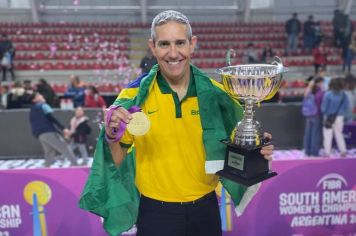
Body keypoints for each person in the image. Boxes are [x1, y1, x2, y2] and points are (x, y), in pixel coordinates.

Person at [79, 10, 274, 236]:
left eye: (180, 43)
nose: (173, 53)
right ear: (152, 47)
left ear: (192, 44)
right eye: (164, 44)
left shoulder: (217, 95)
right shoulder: (133, 97)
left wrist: (257, 150)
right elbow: (116, 160)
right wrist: (112, 136)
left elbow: (235, 149)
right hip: (155, 214)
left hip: (206, 209)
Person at [28, 92, 78, 167]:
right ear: (34, 100)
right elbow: (52, 118)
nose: (42, 95)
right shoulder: (43, 105)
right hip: (48, 131)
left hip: (39, 134)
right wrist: (63, 129)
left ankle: (46, 169)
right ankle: (76, 166)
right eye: (38, 95)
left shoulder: (32, 110)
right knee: (64, 147)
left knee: (49, 152)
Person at [321, 78, 349, 157]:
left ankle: (327, 153)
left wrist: (325, 114)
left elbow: (323, 107)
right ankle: (343, 151)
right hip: (339, 117)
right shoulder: (344, 94)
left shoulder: (328, 94)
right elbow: (346, 106)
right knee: (339, 134)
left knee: (327, 135)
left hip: (328, 117)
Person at [302, 77, 324, 157]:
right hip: (317, 115)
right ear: (320, 82)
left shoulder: (308, 91)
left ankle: (307, 151)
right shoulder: (321, 92)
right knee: (316, 134)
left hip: (308, 114)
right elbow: (322, 105)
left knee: (308, 133)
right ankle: (314, 152)